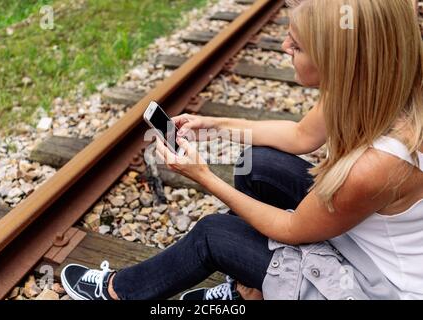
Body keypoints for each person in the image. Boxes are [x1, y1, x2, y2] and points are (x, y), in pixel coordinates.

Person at [61, 0, 422, 300]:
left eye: (296, 46)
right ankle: (247, 288)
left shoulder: (377, 164)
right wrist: (216, 125)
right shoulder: (375, 84)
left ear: (336, 60)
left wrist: (203, 176)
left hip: (374, 286)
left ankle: (117, 293)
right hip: (363, 239)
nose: (283, 47)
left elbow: (292, 227)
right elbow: (299, 136)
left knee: (212, 235)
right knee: (259, 165)